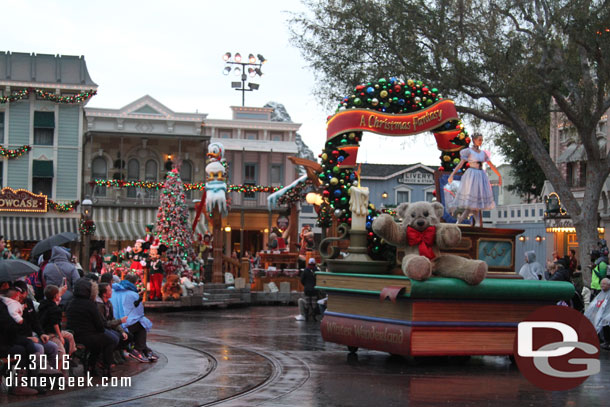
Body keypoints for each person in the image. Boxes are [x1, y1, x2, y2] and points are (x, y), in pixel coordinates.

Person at [447, 133, 502, 227]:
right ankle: (475, 223)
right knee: (473, 202)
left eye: (482, 139)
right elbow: (460, 164)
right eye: (479, 139)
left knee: (473, 204)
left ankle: (461, 221)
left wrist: (499, 175)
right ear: (474, 140)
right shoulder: (468, 151)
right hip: (472, 176)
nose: (481, 141)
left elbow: (491, 164)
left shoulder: (483, 153)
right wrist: (452, 174)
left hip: (481, 176)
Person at [65, 278, 115, 376]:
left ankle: (91, 366)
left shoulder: (71, 302)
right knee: (109, 341)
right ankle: (105, 368)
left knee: (99, 343)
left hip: (74, 334)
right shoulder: (90, 305)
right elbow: (99, 325)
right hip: (88, 336)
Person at [110, 273, 157, 362]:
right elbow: (139, 314)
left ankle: (144, 349)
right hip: (120, 323)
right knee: (141, 324)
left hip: (114, 320)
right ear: (135, 283)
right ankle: (139, 349)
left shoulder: (113, 291)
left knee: (136, 323)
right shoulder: (133, 295)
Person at [38, 284, 76, 376]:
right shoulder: (54, 309)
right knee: (61, 351)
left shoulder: (43, 304)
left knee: (70, 335)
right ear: (55, 296)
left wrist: (60, 292)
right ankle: (57, 372)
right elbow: (55, 324)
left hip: (48, 329)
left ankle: (69, 355)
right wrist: (60, 336)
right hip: (51, 333)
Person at [96, 282, 130, 364]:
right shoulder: (99, 305)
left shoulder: (109, 303)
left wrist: (121, 331)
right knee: (114, 338)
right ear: (104, 294)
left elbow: (112, 319)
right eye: (109, 290)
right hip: (102, 329)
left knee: (128, 336)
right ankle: (108, 359)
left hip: (110, 327)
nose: (111, 292)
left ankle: (116, 353)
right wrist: (120, 321)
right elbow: (105, 323)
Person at [585, 278, 610, 350]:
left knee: (606, 324)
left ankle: (607, 342)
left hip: (607, 314)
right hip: (601, 313)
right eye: (602, 284)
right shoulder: (600, 293)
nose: (602, 285)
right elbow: (595, 304)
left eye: (604, 284)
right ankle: (601, 340)